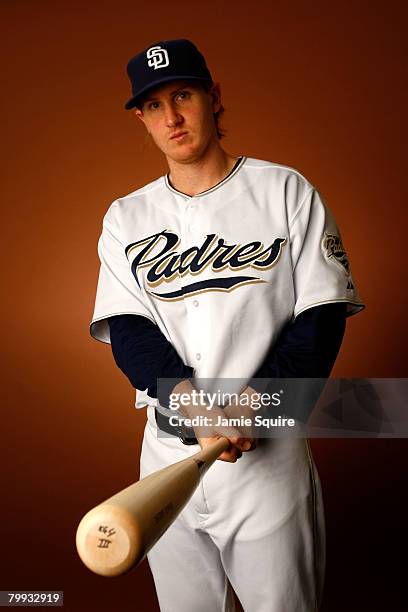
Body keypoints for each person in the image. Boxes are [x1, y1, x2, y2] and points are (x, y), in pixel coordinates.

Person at [90, 39, 364, 612]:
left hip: (267, 457)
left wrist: (254, 402)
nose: (172, 116)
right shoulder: (126, 216)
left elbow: (322, 314)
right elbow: (130, 330)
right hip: (168, 460)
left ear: (214, 98)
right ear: (141, 117)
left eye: (183, 95)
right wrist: (194, 403)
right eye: (154, 105)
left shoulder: (284, 191)